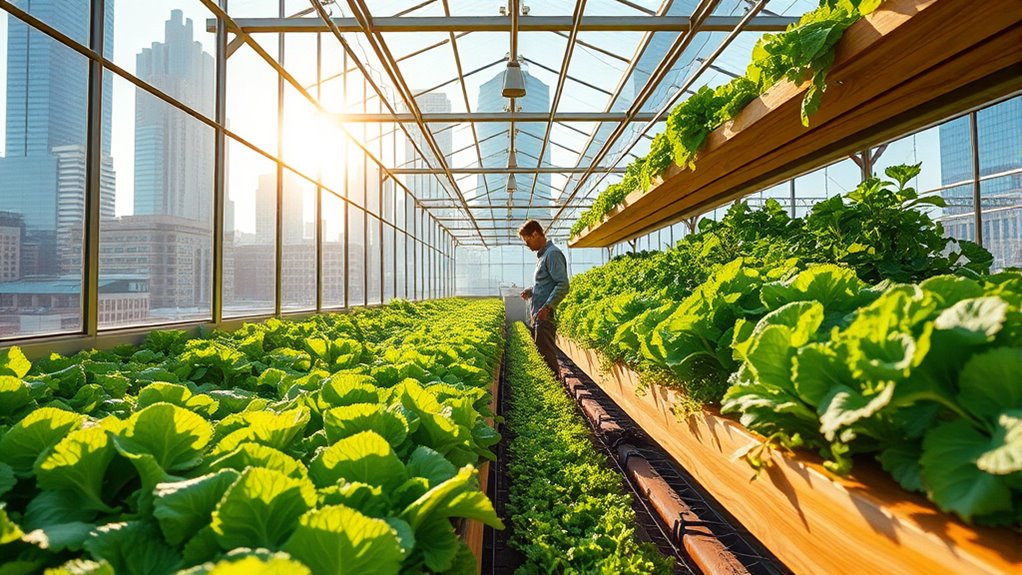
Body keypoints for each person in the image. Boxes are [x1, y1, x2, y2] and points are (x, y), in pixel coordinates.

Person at [518, 219, 569, 375]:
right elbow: (546, 284)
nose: (527, 246)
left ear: (535, 234)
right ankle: (551, 383)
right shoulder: (543, 256)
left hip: (545, 315)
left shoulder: (552, 254)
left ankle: (554, 388)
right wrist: (531, 290)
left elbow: (563, 285)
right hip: (540, 314)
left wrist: (547, 307)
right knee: (542, 353)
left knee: (546, 356)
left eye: (527, 241)